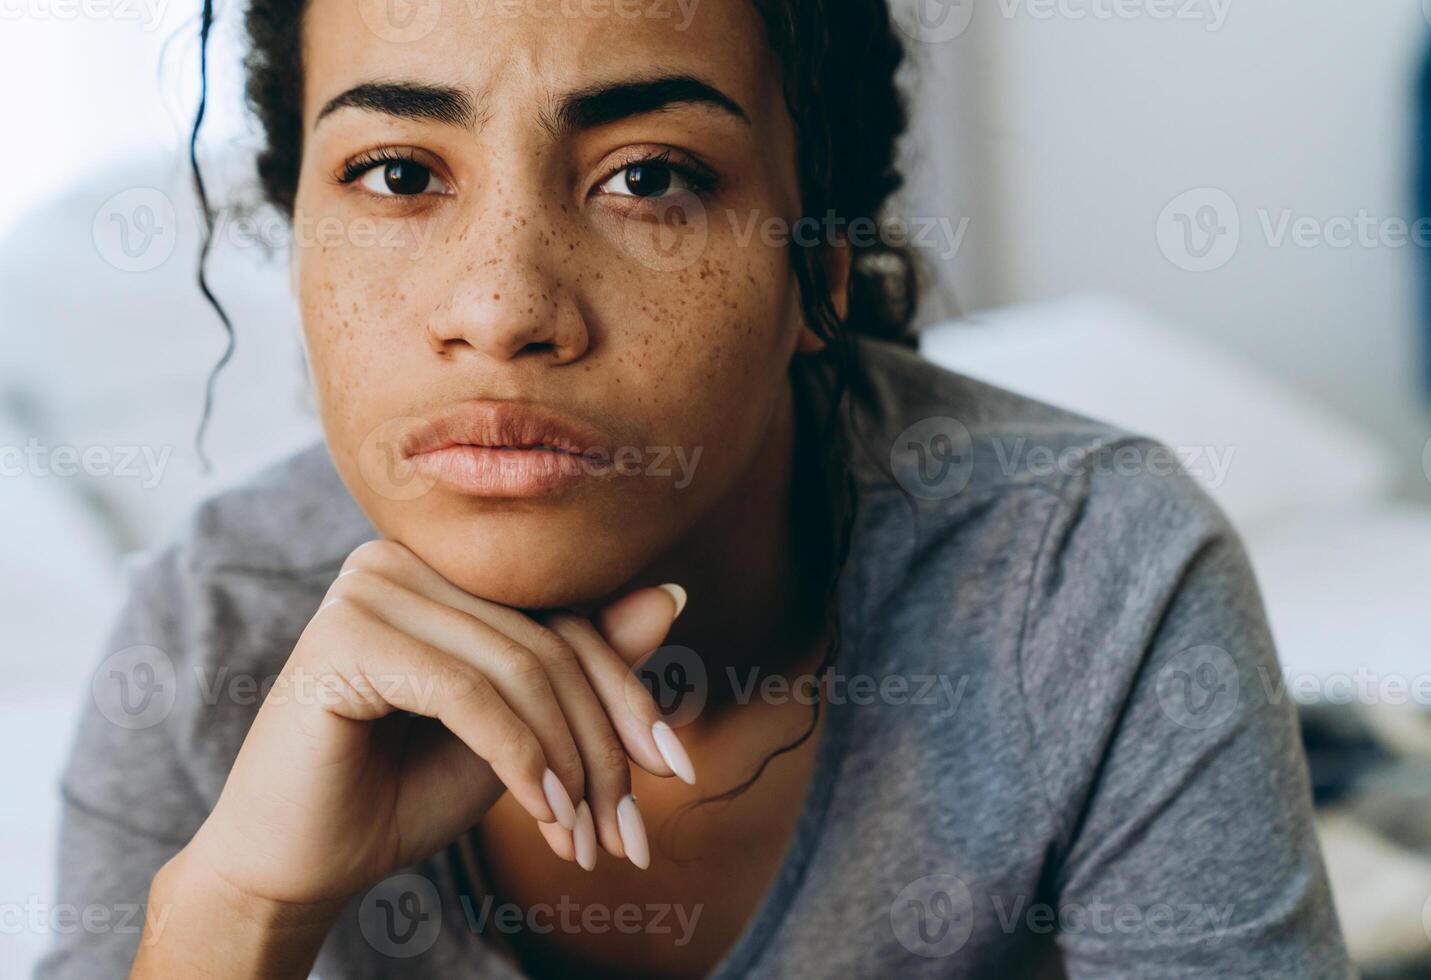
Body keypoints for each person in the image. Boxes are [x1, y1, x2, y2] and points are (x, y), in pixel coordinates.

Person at [38, 0, 1354, 976]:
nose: (501, 309)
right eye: (397, 175)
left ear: (820, 268)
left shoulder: (1085, 573)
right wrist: (241, 906)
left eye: (649, 179)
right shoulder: (213, 631)